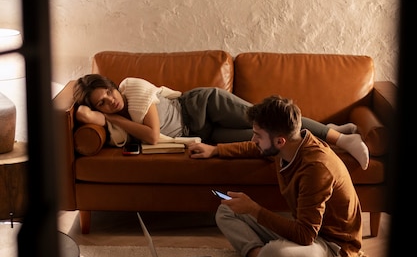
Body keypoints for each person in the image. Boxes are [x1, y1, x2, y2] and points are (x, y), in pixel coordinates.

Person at [188, 95, 362, 257]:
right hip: (305, 230)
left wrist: (254, 209)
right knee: (226, 210)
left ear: (280, 141)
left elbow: (305, 235)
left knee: (275, 254)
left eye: (258, 135)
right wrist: (216, 150)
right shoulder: (288, 146)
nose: (253, 139)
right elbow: (255, 148)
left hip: (332, 248)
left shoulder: (317, 168)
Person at [72, 73, 369, 169]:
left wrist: (110, 116)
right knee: (267, 137)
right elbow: (85, 115)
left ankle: (342, 139)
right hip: (205, 134)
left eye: (108, 92)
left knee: (271, 120)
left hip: (201, 106)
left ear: (113, 85)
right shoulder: (114, 122)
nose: (111, 100)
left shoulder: (131, 88)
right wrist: (104, 116)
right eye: (102, 101)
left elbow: (151, 135)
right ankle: (331, 131)